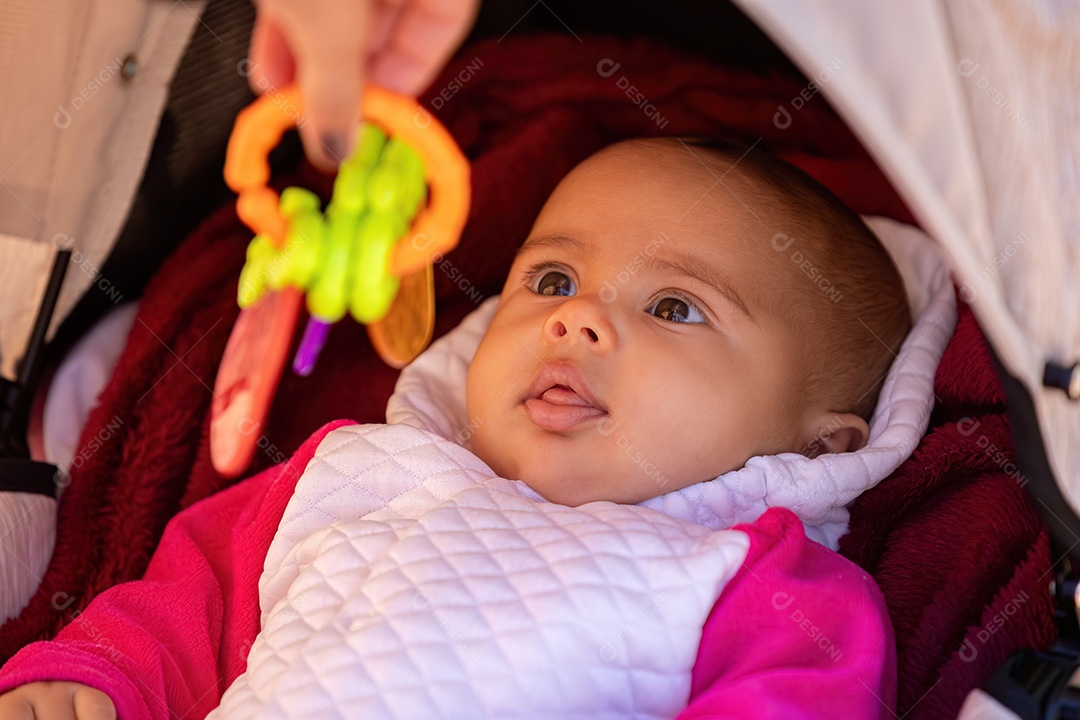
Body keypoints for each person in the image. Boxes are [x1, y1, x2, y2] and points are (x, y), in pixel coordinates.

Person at [0, 136, 910, 718]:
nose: (577, 321)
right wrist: (97, 678)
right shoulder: (360, 473)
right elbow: (192, 600)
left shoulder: (769, 590)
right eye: (552, 281)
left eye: (675, 306)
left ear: (819, 444)